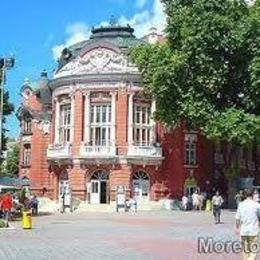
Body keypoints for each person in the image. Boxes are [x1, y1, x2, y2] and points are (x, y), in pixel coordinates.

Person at [236, 189, 260, 260]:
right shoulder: (257, 205)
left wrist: (237, 228)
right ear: (252, 195)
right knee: (253, 251)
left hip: (243, 231)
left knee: (245, 251)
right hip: (254, 230)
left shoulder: (241, 205)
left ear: (245, 195)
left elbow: (237, 218)